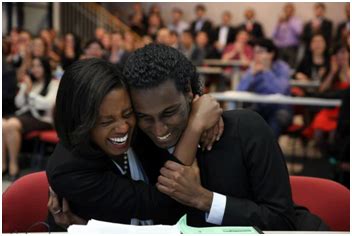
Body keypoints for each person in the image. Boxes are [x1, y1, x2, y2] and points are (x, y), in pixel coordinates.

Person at [50, 44, 328, 231]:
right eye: (144, 116)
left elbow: (282, 221)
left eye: (169, 112)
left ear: (190, 93)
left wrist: (205, 200)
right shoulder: (137, 139)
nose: (158, 129)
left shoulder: (246, 130)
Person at [46, 58, 223, 228]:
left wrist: (200, 102)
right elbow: (165, 201)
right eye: (106, 122)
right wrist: (195, 125)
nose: (123, 128)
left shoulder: (139, 127)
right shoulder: (68, 170)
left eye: (127, 113)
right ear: (80, 122)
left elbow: (173, 87)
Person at [3, 57, 59, 180]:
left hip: (43, 120)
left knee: (12, 124)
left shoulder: (53, 83)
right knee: (3, 123)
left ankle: (13, 166)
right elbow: (18, 103)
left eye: (39, 66)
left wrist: (30, 93)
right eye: (33, 66)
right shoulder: (29, 83)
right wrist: (24, 89)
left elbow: (48, 104)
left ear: (45, 67)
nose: (35, 69)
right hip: (25, 116)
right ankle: (3, 164)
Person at [237, 39, 292, 138]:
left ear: (271, 54)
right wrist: (251, 75)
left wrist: (266, 71)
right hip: (259, 107)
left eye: (260, 52)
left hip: (279, 108)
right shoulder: (254, 68)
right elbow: (239, 91)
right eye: (255, 52)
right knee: (248, 118)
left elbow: (279, 90)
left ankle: (269, 151)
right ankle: (254, 152)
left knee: (275, 122)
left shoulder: (282, 68)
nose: (256, 56)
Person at [272, 3, 303, 68]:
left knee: (291, 67)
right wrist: (278, 24)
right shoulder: (281, 22)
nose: (288, 13)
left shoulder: (297, 20)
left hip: (291, 48)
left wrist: (290, 21)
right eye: (286, 11)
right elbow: (274, 35)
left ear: (293, 11)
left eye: (290, 11)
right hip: (280, 48)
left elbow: (299, 33)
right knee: (280, 68)